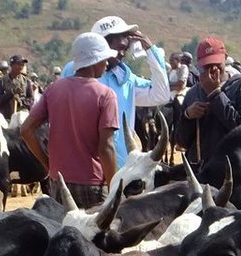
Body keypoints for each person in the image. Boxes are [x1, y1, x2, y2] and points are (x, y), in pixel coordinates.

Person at [21, 32, 119, 207]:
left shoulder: (53, 89)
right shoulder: (105, 95)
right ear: (96, 61)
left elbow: (26, 130)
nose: (106, 64)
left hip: (58, 183)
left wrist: (48, 164)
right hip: (93, 185)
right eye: (104, 60)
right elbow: (106, 147)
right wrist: (114, 189)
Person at [60, 15, 170, 165]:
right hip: (85, 168)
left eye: (126, 48)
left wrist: (151, 50)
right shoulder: (74, 70)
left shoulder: (126, 79)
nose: (123, 53)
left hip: (120, 168)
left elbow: (161, 94)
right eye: (119, 48)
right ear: (102, 44)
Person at [175, 36, 241, 165]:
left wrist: (215, 94)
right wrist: (187, 116)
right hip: (201, 171)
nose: (213, 69)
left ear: (225, 58)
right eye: (207, 66)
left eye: (217, 64)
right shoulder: (192, 93)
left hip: (232, 169)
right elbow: (182, 141)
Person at [0, 54, 35, 121]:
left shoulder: (26, 81)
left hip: (22, 118)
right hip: (6, 118)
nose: (20, 67)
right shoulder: (2, 81)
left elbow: (31, 99)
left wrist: (21, 102)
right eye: (18, 64)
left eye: (22, 65)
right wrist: (11, 93)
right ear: (12, 65)